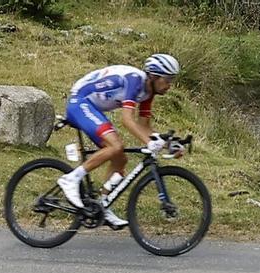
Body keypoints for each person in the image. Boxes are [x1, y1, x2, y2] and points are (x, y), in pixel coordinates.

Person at [56, 54, 181, 229]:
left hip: (91, 107)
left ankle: (102, 204)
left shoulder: (148, 92)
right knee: (116, 146)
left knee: (120, 159)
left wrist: (169, 144)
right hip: (79, 101)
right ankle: (70, 179)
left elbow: (144, 126)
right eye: (167, 79)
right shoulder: (135, 80)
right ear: (153, 76)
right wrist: (149, 141)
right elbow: (127, 120)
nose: (170, 85)